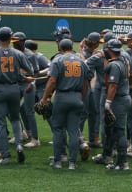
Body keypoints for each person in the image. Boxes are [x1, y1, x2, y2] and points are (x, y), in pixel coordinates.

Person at [0, 26, 34, 165]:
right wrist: (24, 78)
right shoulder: (18, 53)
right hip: (14, 89)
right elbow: (30, 69)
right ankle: (18, 145)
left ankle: (5, 155)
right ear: (11, 38)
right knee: (15, 120)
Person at [41, 38, 89, 170]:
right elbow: (86, 84)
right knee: (73, 132)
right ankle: (72, 163)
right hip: (77, 97)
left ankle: (57, 161)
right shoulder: (81, 61)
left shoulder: (58, 60)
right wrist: (81, 98)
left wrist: (45, 98)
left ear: (60, 48)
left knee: (58, 130)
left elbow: (52, 81)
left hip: (62, 97)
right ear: (71, 47)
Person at [92, 38, 132, 170]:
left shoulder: (115, 65)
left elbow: (113, 86)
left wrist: (108, 103)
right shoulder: (122, 60)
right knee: (110, 130)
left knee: (119, 131)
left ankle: (122, 163)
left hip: (118, 100)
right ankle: (106, 156)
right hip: (123, 97)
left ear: (110, 50)